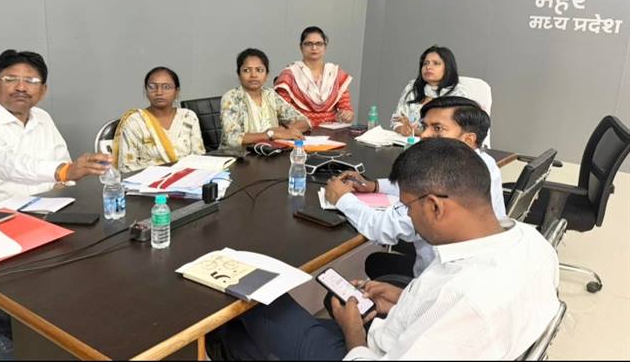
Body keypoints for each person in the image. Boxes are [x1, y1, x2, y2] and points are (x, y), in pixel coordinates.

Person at [211, 138, 560, 360]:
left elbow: (452, 312)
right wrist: (405, 301)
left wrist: (353, 331)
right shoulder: (534, 244)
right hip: (397, 338)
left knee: (258, 301)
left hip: (365, 352)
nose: (407, 215)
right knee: (240, 338)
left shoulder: (465, 298)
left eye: (407, 207)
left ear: (436, 206)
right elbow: (440, 314)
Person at [0, 49, 112, 360]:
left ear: (43, 90)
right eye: (11, 79)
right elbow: (1, 162)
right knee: (33, 271)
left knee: (95, 247)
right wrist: (63, 173)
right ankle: (5, 330)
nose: (21, 87)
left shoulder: (43, 119)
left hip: (38, 210)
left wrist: (64, 181)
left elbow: (61, 163)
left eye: (31, 81)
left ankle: (61, 327)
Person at [325, 96, 506, 279]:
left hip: (435, 280)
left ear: (468, 139)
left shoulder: (442, 184)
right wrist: (375, 186)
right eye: (425, 126)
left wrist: (342, 199)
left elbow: (381, 228)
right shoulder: (483, 163)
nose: (424, 135)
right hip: (472, 266)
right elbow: (421, 185)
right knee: (378, 261)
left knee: (375, 263)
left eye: (437, 128)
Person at [114, 66, 205, 172]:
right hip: (148, 180)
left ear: (177, 92)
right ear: (146, 91)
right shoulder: (135, 121)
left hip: (187, 177)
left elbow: (199, 157)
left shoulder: (188, 117)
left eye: (166, 87)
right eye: (152, 87)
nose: (159, 92)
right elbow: (126, 167)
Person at [220, 48, 311, 150]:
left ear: (266, 75)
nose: (253, 75)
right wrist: (271, 134)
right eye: (247, 70)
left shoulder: (270, 95)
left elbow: (304, 122)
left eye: (259, 70)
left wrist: (284, 131)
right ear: (239, 75)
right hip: (238, 156)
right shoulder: (231, 97)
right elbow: (232, 139)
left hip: (271, 153)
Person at [274, 26, 354, 127]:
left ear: (325, 47)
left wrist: (347, 114)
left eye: (319, 44)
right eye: (308, 44)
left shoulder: (335, 74)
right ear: (301, 47)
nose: (314, 48)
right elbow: (281, 112)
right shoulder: (289, 75)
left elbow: (346, 108)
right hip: (300, 131)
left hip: (331, 132)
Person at [391, 45, 467, 136]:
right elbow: (397, 120)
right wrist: (402, 128)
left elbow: (453, 131)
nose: (428, 67)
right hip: (407, 141)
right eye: (425, 63)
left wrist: (417, 132)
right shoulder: (412, 87)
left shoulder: (458, 93)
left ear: (448, 68)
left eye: (436, 63)